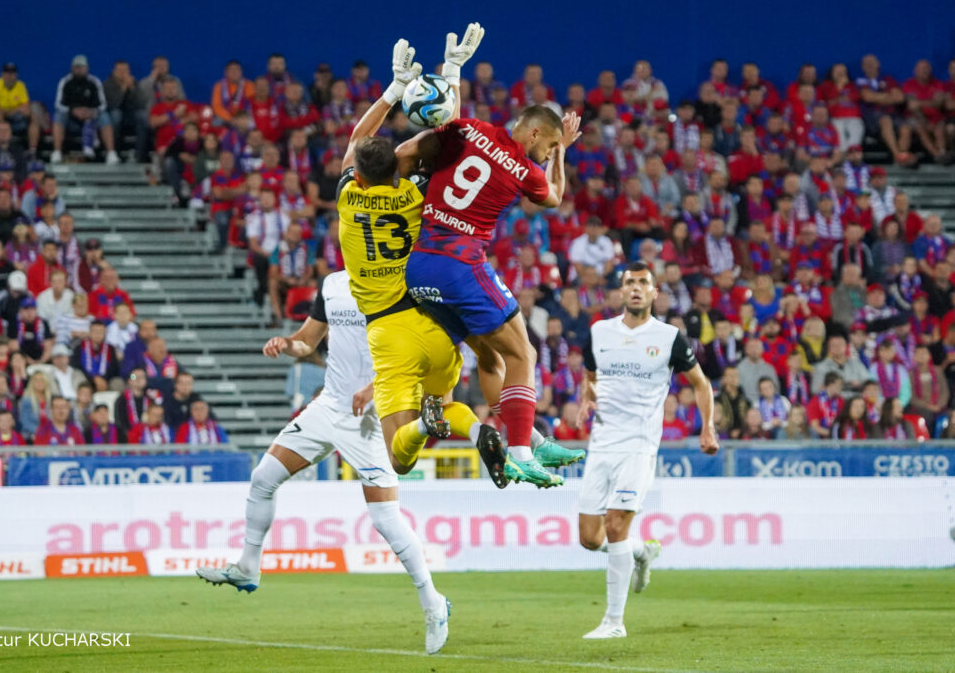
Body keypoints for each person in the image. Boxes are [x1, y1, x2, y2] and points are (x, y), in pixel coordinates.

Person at [336, 34, 579, 488]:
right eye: (546, 145)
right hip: (453, 271)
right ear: (534, 135)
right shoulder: (420, 193)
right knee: (520, 353)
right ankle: (523, 448)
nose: (545, 152)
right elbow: (553, 195)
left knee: (488, 361)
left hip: (409, 292)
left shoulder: (354, 197)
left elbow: (391, 140)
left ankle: (520, 434)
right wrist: (451, 72)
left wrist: (399, 91)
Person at [197, 267, 451, 655]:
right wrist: (286, 343)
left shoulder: (399, 283)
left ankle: (434, 604)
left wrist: (372, 388)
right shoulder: (332, 284)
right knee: (263, 476)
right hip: (330, 404)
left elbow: (415, 351)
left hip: (371, 413)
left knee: (385, 517)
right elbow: (307, 341)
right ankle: (248, 567)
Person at [575, 262, 718, 639]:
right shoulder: (599, 332)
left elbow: (702, 385)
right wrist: (586, 398)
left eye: (643, 283)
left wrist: (708, 427)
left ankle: (613, 622)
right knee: (590, 538)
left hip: (639, 445)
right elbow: (590, 373)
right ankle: (641, 552)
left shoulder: (670, 337)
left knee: (616, 524)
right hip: (601, 444)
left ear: (655, 293)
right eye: (629, 283)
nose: (636, 288)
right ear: (620, 292)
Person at [50, 54, 119, 165]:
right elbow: (58, 104)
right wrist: (73, 111)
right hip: (72, 121)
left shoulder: (94, 82)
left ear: (87, 68)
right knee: (58, 115)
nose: (79, 70)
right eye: (77, 67)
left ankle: (111, 153)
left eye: (82, 67)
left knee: (104, 116)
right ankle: (57, 152)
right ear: (72, 68)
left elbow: (102, 104)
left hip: (92, 119)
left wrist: (90, 112)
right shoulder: (65, 82)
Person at [0, 62, 40, 155]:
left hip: (15, 117)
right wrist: (15, 109)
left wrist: (11, 111)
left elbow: (26, 107)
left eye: (13, 73)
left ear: (16, 75)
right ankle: (0, 148)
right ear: (2, 74)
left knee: (33, 116)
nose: (10, 76)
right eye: (7, 73)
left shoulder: (20, 85)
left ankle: (32, 151)